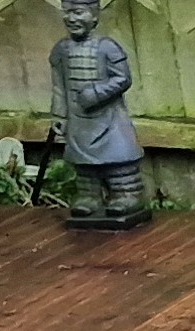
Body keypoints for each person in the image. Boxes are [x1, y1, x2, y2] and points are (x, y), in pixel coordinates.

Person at [49, 0, 148, 223]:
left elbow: (123, 78)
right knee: (83, 163)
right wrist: (59, 115)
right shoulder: (61, 50)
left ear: (94, 16)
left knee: (118, 159)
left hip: (109, 120)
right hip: (78, 120)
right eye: (67, 13)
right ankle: (89, 197)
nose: (71, 18)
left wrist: (95, 93)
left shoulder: (107, 47)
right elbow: (58, 86)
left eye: (78, 12)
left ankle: (127, 196)